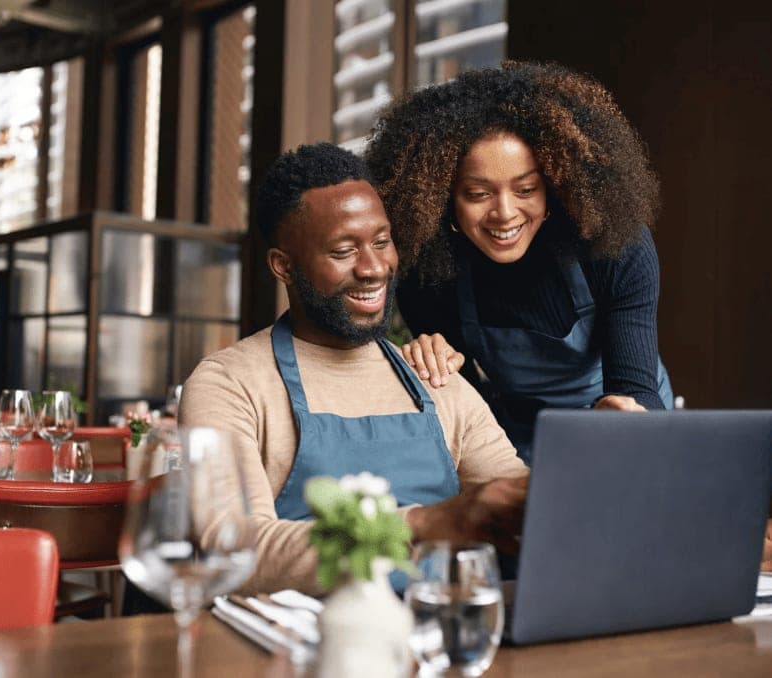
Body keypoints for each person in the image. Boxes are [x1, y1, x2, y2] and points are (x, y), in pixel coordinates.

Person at [179, 143, 528, 595]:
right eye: (344, 251)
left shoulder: (434, 375)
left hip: (440, 636)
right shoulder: (230, 384)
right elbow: (231, 547)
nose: (374, 268)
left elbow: (516, 501)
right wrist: (425, 523)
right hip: (298, 652)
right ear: (284, 266)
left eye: (382, 242)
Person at [364, 61, 673, 463]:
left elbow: (637, 388)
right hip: (520, 437)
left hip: (624, 426)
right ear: (442, 199)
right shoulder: (429, 270)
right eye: (477, 194)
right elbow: (468, 409)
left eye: (526, 188)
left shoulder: (612, 244)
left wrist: (623, 415)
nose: (505, 213)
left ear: (554, 184)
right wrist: (434, 365)